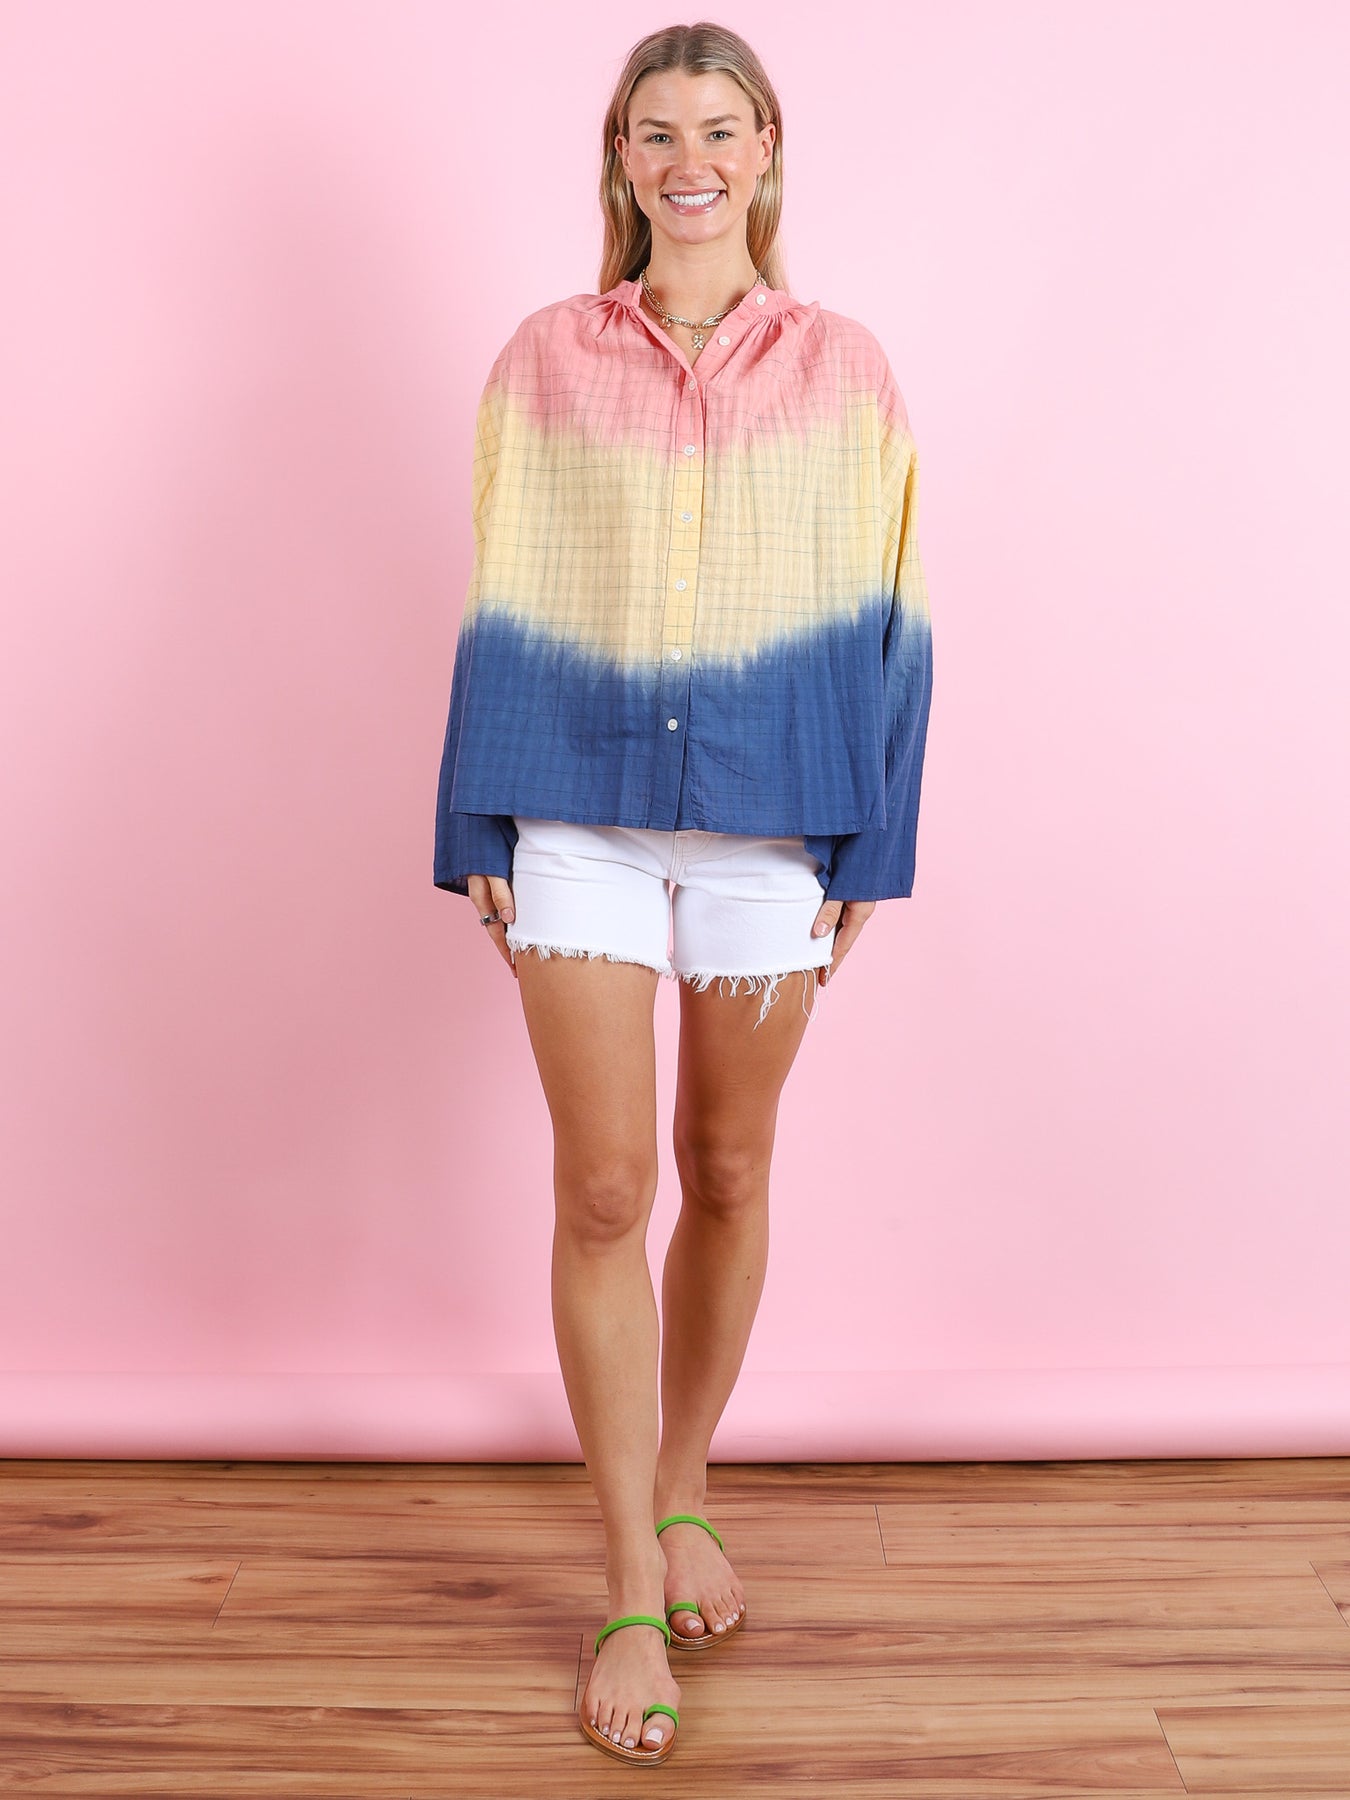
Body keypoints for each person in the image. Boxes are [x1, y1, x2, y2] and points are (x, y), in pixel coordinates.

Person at [432, 21, 933, 1769]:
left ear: (766, 147)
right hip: (572, 805)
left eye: (720, 129)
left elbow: (897, 609)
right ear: (622, 159)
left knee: (725, 1167)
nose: (690, 160)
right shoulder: (545, 354)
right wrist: (471, 818)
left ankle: (687, 1476)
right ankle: (629, 1577)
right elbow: (497, 585)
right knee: (601, 1187)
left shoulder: (846, 367)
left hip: (777, 815)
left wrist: (877, 842)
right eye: (659, 132)